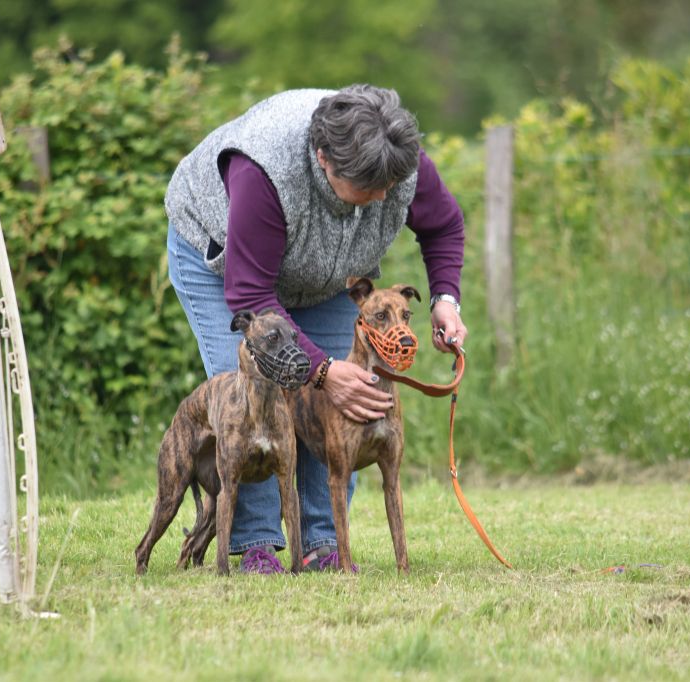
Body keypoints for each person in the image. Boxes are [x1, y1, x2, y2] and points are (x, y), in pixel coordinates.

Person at [164, 84, 466, 574]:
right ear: (324, 159)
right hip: (224, 266)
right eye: (369, 187)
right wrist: (322, 370)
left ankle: (323, 543)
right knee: (253, 401)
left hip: (325, 276)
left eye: (389, 184)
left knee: (339, 408)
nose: (384, 196)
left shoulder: (394, 157)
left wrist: (445, 300)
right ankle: (257, 544)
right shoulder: (264, 169)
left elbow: (444, 226)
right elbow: (252, 296)